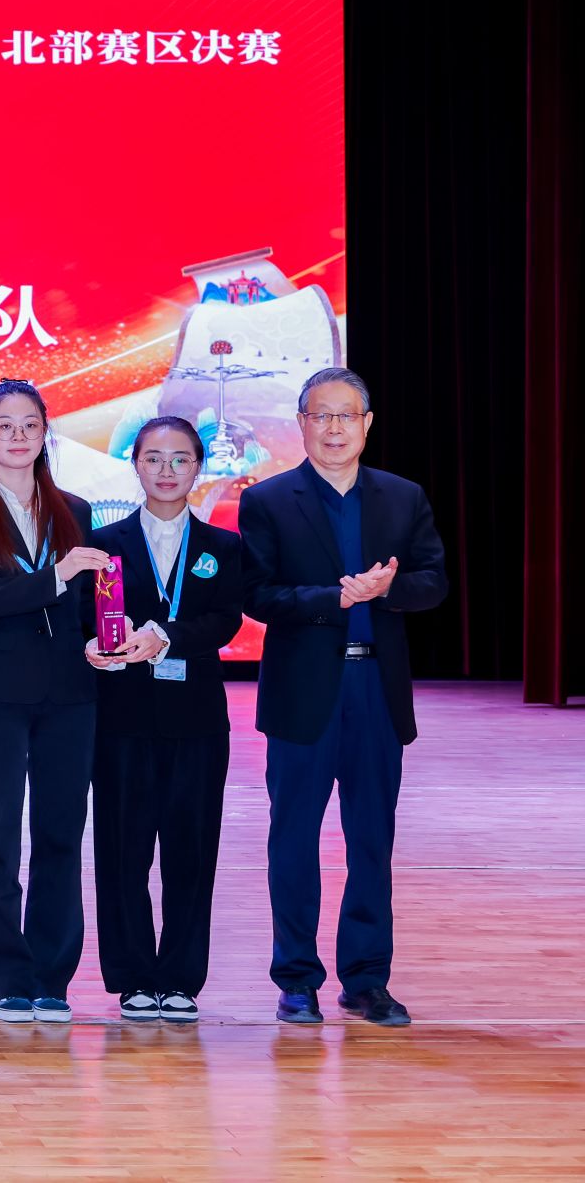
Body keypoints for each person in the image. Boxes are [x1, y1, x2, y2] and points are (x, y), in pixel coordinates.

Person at [239, 367, 447, 1027]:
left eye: (346, 415)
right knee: (294, 840)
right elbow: (258, 594)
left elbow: (434, 580)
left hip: (376, 691)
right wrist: (335, 599)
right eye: (321, 415)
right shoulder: (268, 500)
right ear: (301, 424)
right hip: (303, 693)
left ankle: (366, 980)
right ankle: (296, 979)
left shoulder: (403, 497)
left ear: (367, 423)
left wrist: (388, 590)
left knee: (371, 840)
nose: (334, 428)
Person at [0, 380, 106, 1024]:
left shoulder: (76, 509)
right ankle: (8, 976)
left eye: (30, 425)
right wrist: (54, 575)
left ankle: (52, 976)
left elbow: (89, 605)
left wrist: (103, 641)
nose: (17, 437)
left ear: (45, 433)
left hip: (69, 695)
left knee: (61, 835)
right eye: (4, 426)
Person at [83, 417, 246, 1024]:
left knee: (191, 852)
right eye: (154, 458)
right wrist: (91, 646)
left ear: (198, 466)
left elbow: (226, 621)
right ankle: (132, 977)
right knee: (123, 852)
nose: (167, 470)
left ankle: (180, 978)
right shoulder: (105, 545)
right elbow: (87, 621)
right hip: (121, 719)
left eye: (180, 459)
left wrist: (166, 636)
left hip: (196, 721)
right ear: (136, 465)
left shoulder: (223, 546)